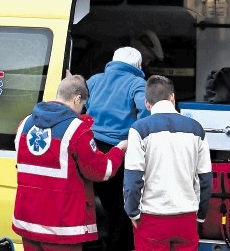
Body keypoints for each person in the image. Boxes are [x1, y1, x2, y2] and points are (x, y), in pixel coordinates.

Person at [12, 74, 127, 251]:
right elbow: (100, 170)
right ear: (77, 98)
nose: (82, 110)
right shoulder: (77, 130)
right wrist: (119, 150)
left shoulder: (24, 124)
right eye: (82, 105)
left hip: (28, 221)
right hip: (61, 226)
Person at [124, 75, 213, 251]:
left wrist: (132, 212)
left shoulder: (139, 129)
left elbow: (133, 178)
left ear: (147, 104)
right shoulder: (196, 129)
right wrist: (200, 215)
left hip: (151, 219)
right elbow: (205, 179)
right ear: (172, 97)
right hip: (186, 218)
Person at [86, 46, 149, 251]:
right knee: (119, 207)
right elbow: (146, 113)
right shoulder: (138, 83)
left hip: (92, 148)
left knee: (91, 202)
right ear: (138, 66)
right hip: (119, 151)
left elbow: (78, 104)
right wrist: (137, 136)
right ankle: (115, 246)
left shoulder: (95, 80)